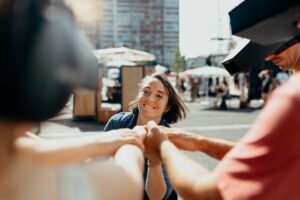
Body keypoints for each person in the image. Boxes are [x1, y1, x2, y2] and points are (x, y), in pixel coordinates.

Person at [144, 1, 300, 199]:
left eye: (275, 43)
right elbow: (269, 160)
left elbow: (208, 192)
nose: (268, 56)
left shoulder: (293, 97)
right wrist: (199, 142)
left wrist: (162, 147)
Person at [0, 0, 146, 199]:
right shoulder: (72, 188)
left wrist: (99, 141)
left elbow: (29, 146)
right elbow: (128, 179)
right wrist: (134, 138)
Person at [104, 73, 188, 200]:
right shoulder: (117, 123)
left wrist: (154, 161)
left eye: (159, 95)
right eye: (146, 92)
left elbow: (157, 197)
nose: (150, 99)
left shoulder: (169, 139)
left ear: (167, 107)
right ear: (139, 95)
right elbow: (100, 163)